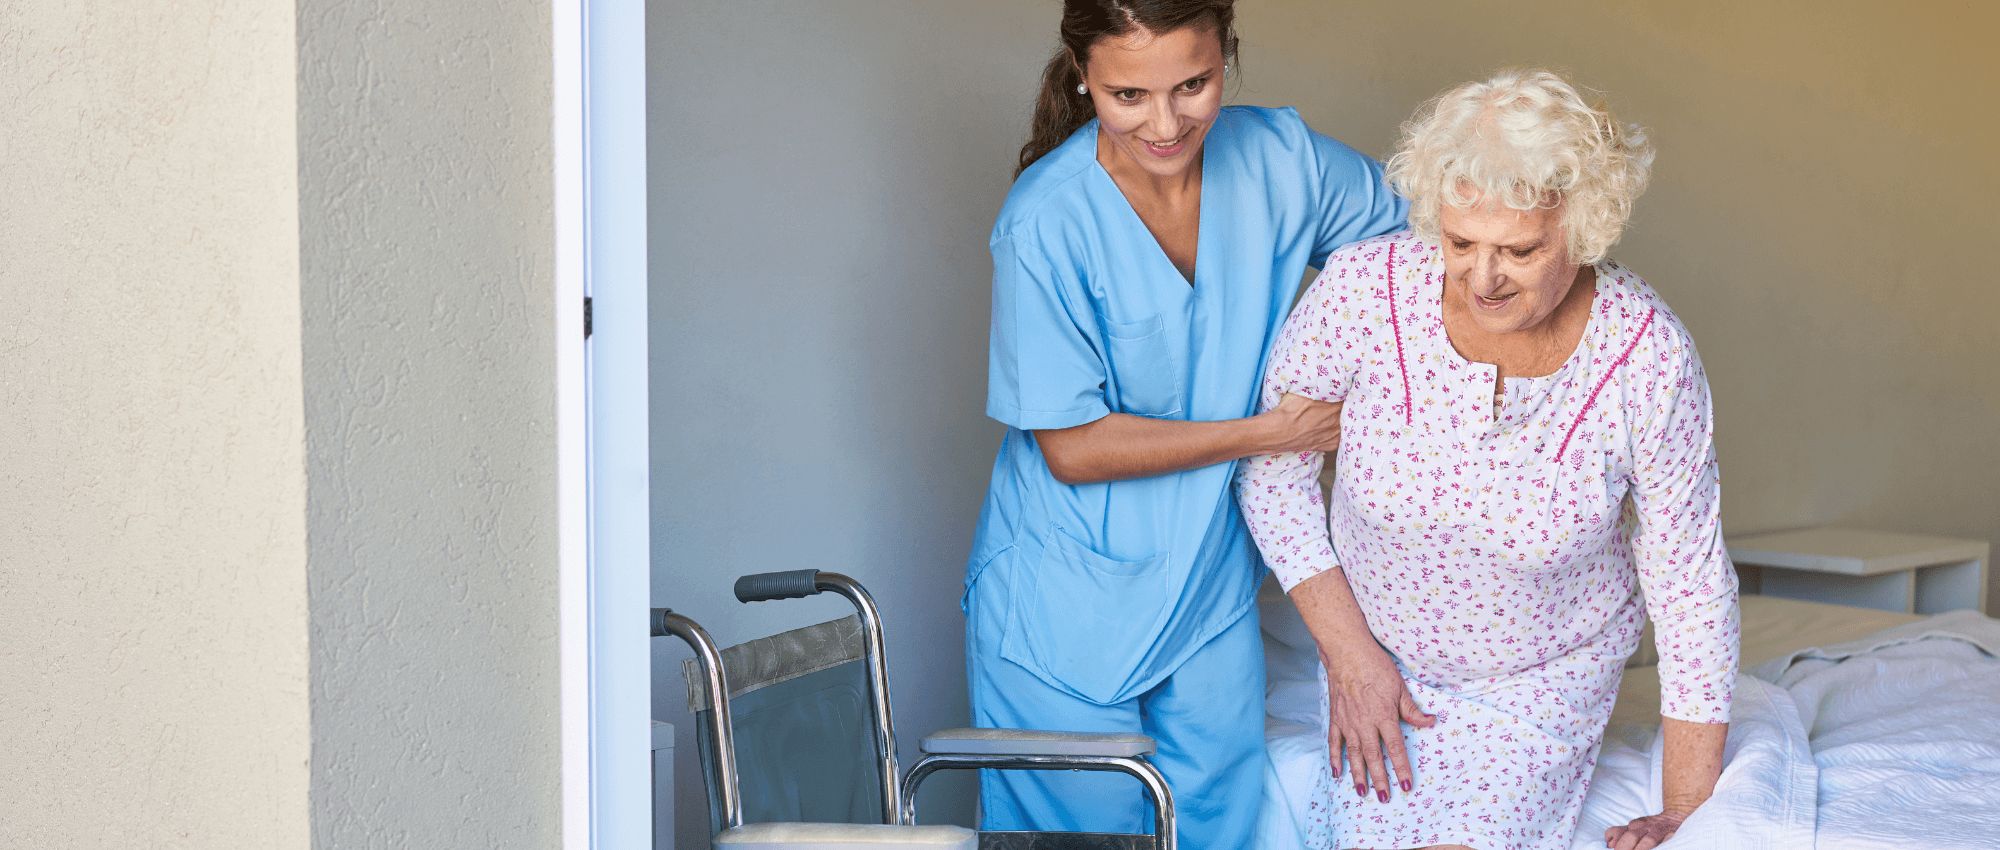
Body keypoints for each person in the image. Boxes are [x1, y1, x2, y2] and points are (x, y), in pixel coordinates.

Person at [1236, 69, 1740, 850]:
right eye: (1460, 241)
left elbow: (1689, 581)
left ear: (1584, 225)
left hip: (1543, 677)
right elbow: (1272, 469)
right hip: (1377, 649)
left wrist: (1685, 807)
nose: (1482, 278)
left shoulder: (1647, 354)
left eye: (1520, 250)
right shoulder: (1366, 292)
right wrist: (1350, 656)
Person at [963, 1, 1408, 847]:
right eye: (1128, 94)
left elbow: (1428, 251)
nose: (1165, 124)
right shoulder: (1044, 221)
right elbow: (1074, 447)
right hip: (1064, 605)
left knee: (1220, 829)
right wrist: (1270, 433)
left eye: (1193, 85)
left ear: (1226, 57)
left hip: (1208, 590)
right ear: (1084, 74)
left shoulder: (1283, 160)